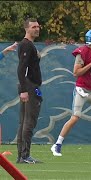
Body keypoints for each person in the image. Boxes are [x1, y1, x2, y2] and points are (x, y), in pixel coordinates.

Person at [16, 18, 43, 164]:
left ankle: (21, 156)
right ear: (27, 28)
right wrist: (25, 90)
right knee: (29, 121)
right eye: (33, 27)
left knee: (24, 121)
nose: (37, 29)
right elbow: (21, 68)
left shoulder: (28, 45)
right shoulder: (26, 45)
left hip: (28, 86)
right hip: (30, 86)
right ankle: (25, 156)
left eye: (38, 26)